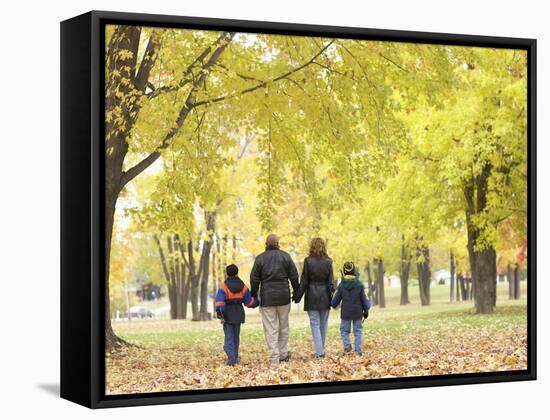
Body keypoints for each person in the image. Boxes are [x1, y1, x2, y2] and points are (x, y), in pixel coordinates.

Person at [250, 233, 300, 365]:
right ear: (278, 244)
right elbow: (294, 276)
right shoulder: (285, 256)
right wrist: (297, 291)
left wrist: (254, 295)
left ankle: (274, 357)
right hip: (284, 296)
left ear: (266, 244)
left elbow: (254, 279)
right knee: (284, 326)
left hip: (267, 298)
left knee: (270, 328)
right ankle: (283, 353)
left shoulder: (260, 259)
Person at [296, 237, 335, 358]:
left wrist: (298, 295)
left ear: (311, 246)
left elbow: (304, 281)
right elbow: (331, 282)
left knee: (315, 324)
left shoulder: (308, 261)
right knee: (323, 324)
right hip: (325, 296)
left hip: (312, 296)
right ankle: (320, 351)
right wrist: (334, 295)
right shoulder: (329, 261)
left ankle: (320, 352)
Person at [215, 264, 258, 366]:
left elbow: (220, 302)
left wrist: (221, 315)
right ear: (237, 272)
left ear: (227, 273)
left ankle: (231, 359)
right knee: (236, 337)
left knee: (229, 337)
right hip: (238, 313)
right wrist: (258, 302)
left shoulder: (224, 286)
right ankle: (234, 357)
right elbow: (249, 302)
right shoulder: (242, 286)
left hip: (227, 314)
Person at [331, 261, 371, 355]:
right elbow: (364, 299)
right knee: (358, 331)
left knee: (344, 331)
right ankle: (358, 350)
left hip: (346, 313)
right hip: (358, 312)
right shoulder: (360, 284)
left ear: (344, 272)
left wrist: (332, 300)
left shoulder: (341, 286)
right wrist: (366, 310)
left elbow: (335, 301)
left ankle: (347, 345)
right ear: (354, 271)